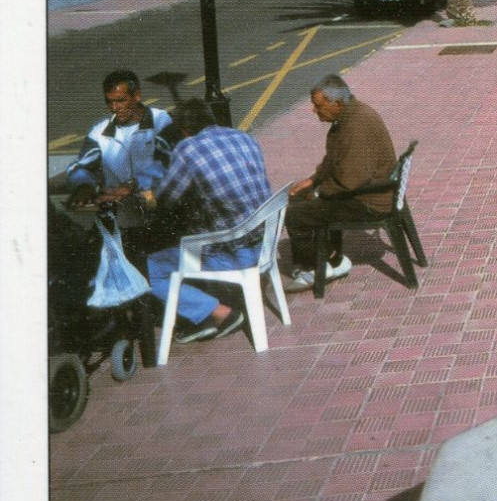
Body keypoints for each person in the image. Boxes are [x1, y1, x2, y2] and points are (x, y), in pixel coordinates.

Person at [144, 100, 269, 344]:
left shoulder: (187, 148)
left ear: (183, 129)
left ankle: (220, 314)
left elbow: (167, 199)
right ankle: (205, 310)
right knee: (198, 230)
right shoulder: (244, 137)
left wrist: (149, 193)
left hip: (235, 255)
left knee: (150, 270)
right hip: (263, 246)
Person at [283, 74, 397, 293]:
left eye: (318, 106)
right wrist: (312, 181)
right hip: (365, 192)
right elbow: (333, 162)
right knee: (302, 201)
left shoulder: (356, 125)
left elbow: (349, 182)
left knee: (296, 214)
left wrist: (316, 192)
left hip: (369, 202)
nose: (314, 111)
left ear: (336, 104)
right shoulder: (347, 118)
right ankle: (331, 259)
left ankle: (315, 269)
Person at [65, 69, 177, 241]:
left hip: (162, 214)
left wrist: (134, 185)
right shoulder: (99, 133)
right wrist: (83, 184)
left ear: (137, 96)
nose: (115, 108)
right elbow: (81, 166)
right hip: (124, 220)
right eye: (109, 102)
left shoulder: (162, 121)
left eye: (121, 101)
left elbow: (169, 163)